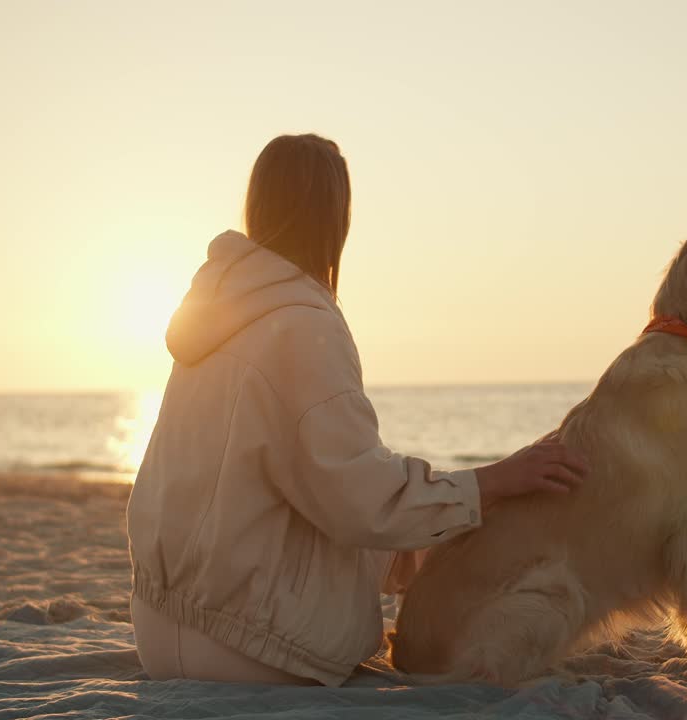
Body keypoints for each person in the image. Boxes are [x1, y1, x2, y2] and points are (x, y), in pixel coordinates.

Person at [125, 133, 588, 686]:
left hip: (159, 625)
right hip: (245, 647)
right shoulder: (302, 323)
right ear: (335, 217)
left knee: (414, 509)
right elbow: (361, 502)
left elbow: (320, 479)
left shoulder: (216, 316)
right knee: (436, 511)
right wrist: (492, 482)